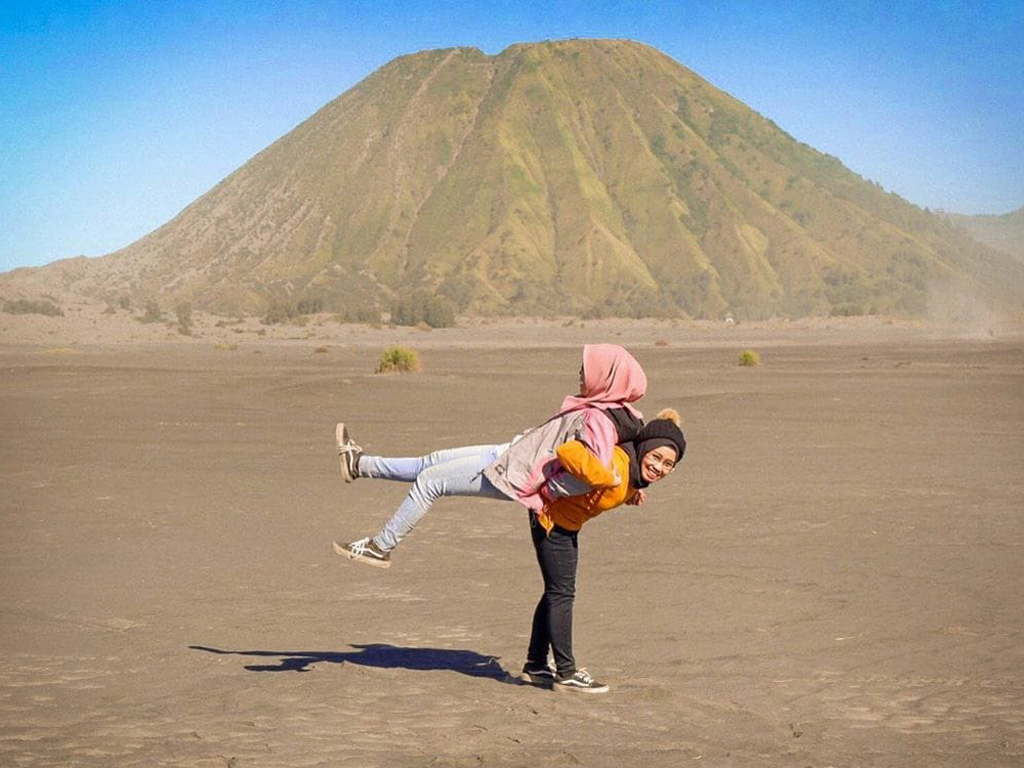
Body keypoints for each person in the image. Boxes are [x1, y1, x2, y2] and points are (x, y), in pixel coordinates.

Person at [332, 344, 646, 569]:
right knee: (432, 462)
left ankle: (380, 547)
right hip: (510, 454)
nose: (580, 373)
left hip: (515, 475)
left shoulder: (600, 420)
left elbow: (591, 472)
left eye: (588, 369)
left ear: (608, 376)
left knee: (430, 482)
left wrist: (548, 491)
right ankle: (358, 465)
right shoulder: (606, 408)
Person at [518, 410, 686, 693]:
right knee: (562, 593)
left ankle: (535, 666)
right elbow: (569, 452)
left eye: (668, 464)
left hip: (563, 523)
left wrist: (631, 491)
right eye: (655, 457)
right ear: (644, 448)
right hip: (551, 519)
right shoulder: (619, 468)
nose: (659, 467)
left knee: (556, 591)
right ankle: (566, 671)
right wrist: (606, 478)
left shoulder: (632, 473)